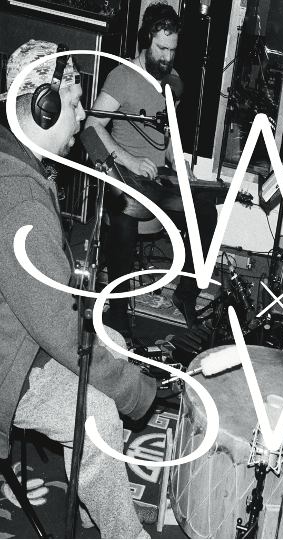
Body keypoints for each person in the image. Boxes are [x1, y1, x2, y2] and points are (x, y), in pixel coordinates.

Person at [0, 40, 157, 539]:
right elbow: (62, 332)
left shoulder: (16, 166)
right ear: (43, 108)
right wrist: (135, 390)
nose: (82, 116)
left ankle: (96, 502)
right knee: (101, 417)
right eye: (73, 103)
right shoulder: (21, 201)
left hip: (18, 333)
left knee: (111, 352)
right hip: (9, 362)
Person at [85, 1, 218, 336]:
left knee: (206, 213)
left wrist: (178, 159)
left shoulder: (172, 82)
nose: (167, 57)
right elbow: (91, 127)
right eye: (161, 49)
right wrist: (130, 160)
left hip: (158, 182)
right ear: (146, 40)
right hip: (125, 177)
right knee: (125, 221)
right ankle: (118, 311)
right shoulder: (122, 77)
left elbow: (168, 134)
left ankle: (185, 294)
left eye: (172, 50)